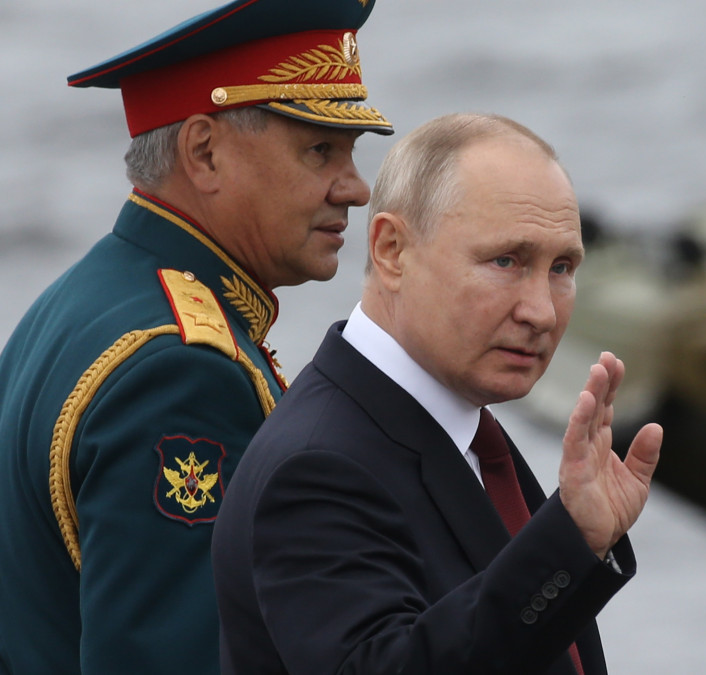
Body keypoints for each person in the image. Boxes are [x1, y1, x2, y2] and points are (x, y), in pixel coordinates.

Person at [0, 0, 394, 673]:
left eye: (351, 153)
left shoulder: (82, 303)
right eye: (320, 150)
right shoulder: (182, 370)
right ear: (205, 153)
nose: (356, 188)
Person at [212, 113, 664, 674]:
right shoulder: (317, 467)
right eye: (506, 261)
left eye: (562, 267)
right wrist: (565, 542)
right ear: (392, 250)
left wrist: (577, 538)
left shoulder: (459, 428)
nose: (542, 312)